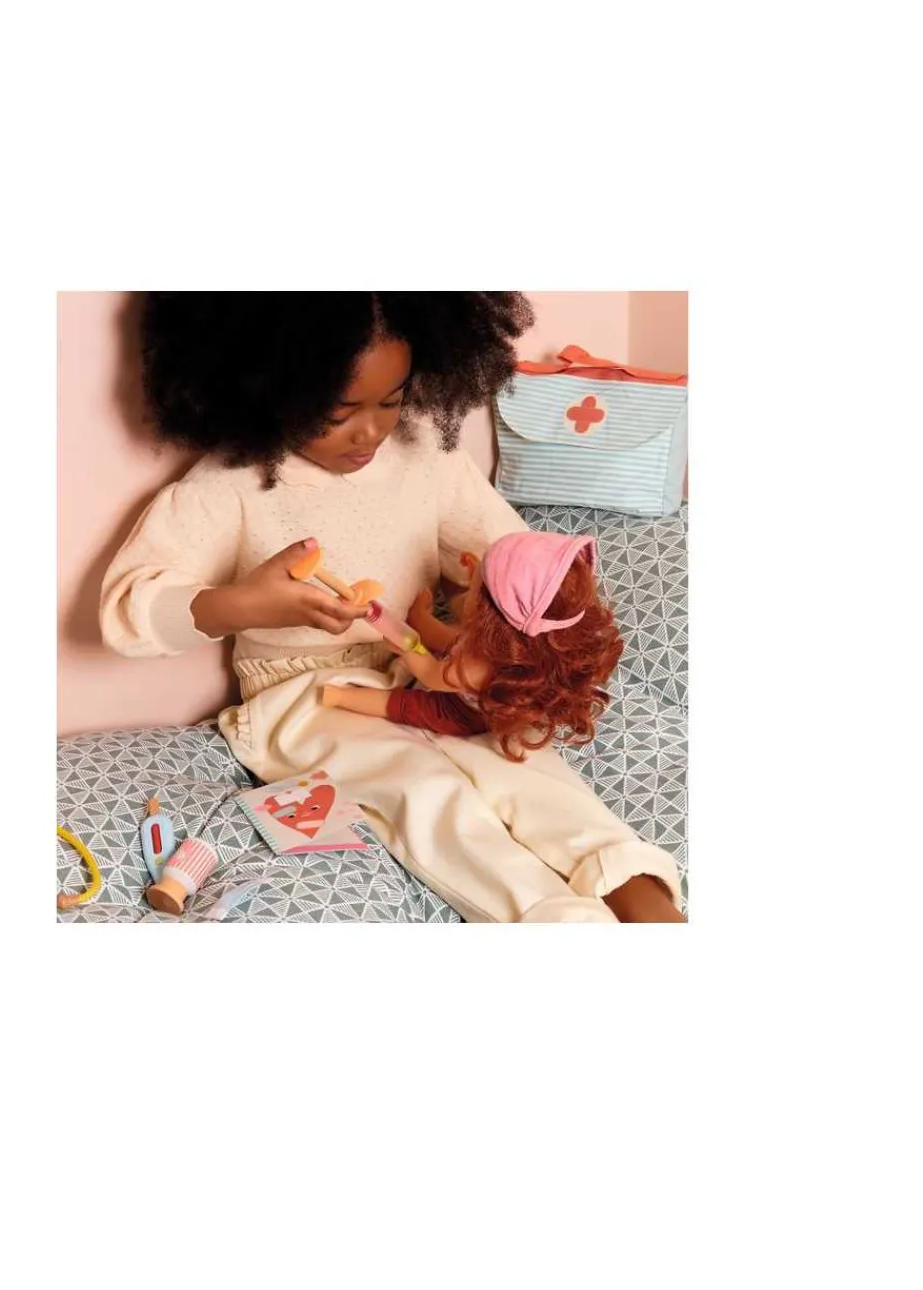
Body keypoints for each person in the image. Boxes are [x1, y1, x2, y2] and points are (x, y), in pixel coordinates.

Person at [100, 293, 684, 922]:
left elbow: (508, 554)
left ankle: (643, 895)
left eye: (392, 400)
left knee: (529, 771)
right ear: (266, 388)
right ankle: (556, 920)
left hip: (429, 669)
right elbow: (128, 611)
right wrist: (242, 605)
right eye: (338, 412)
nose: (371, 431)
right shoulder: (231, 485)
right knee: (425, 796)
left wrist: (493, 609)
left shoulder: (425, 455)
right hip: (304, 701)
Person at [322, 532, 624, 765]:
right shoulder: (512, 639)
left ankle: (340, 697)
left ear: (486, 614)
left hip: (464, 710)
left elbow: (432, 675)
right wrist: (479, 573)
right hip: (471, 658)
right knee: (451, 638)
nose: (468, 592)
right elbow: (456, 639)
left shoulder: (477, 666)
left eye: (474, 589)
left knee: (411, 706)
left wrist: (407, 651)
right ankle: (421, 620)